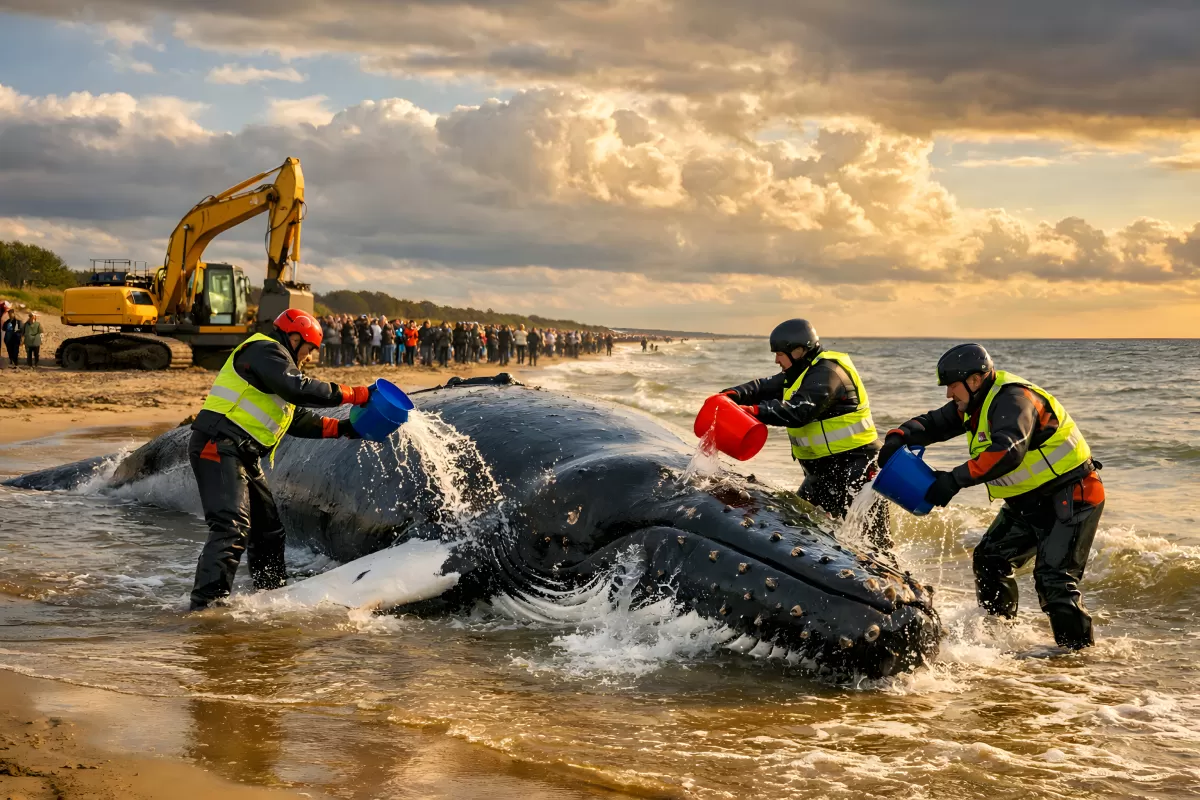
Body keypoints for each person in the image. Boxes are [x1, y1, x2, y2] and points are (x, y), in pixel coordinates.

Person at [879, 344, 1103, 649]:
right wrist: (898, 436)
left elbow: (1007, 451)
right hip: (1028, 502)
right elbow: (933, 423)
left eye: (952, 387)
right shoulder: (974, 404)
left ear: (974, 380)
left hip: (1072, 497)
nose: (948, 395)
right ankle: (1000, 635)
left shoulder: (1014, 400)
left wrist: (954, 480)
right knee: (990, 559)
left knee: (1055, 581)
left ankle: (1076, 662)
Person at [187, 309, 373, 610]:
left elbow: (295, 418)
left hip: (242, 453)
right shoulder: (265, 349)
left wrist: (342, 428)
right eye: (310, 349)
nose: (310, 357)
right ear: (295, 337)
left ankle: (270, 598)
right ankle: (205, 607)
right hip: (218, 445)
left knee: (269, 531)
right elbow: (296, 389)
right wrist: (355, 394)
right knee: (231, 526)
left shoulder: (277, 365)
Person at [720, 319, 890, 550]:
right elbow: (762, 387)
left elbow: (801, 410)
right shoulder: (800, 372)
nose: (776, 360)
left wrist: (752, 411)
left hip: (858, 469)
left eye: (780, 354)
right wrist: (730, 396)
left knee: (872, 544)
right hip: (821, 474)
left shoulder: (828, 373)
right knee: (797, 527)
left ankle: (892, 583)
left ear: (799, 351)